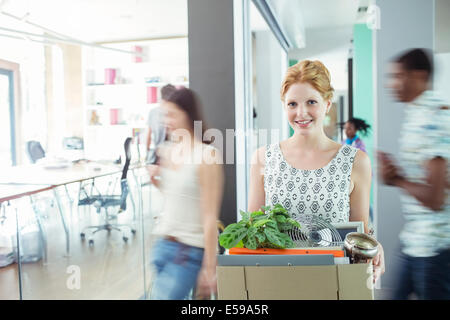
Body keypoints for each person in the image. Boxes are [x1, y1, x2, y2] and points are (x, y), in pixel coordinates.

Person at [248, 60, 385, 282]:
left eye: (311, 102)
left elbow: (360, 232)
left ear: (327, 104)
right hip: (275, 281)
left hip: (334, 283)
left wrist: (375, 246)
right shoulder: (263, 158)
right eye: (292, 104)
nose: (301, 113)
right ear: (284, 106)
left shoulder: (355, 161)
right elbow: (252, 232)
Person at [378, 48, 449, 299]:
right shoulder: (417, 113)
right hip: (415, 240)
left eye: (398, 76)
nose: (390, 84)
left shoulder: (432, 117)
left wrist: (395, 179)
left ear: (419, 76)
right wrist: (397, 173)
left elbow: (434, 199)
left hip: (436, 246)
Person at [146, 88, 224, 300]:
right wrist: (156, 181)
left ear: (188, 114)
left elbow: (209, 216)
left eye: (172, 114)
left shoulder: (207, 155)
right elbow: (178, 198)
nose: (165, 121)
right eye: (164, 115)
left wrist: (210, 267)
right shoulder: (167, 150)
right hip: (163, 245)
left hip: (188, 252)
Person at [146, 84, 177, 164]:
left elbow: (148, 136)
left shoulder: (153, 112)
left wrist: (147, 154)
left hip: (157, 156)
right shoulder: (176, 114)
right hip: (171, 157)